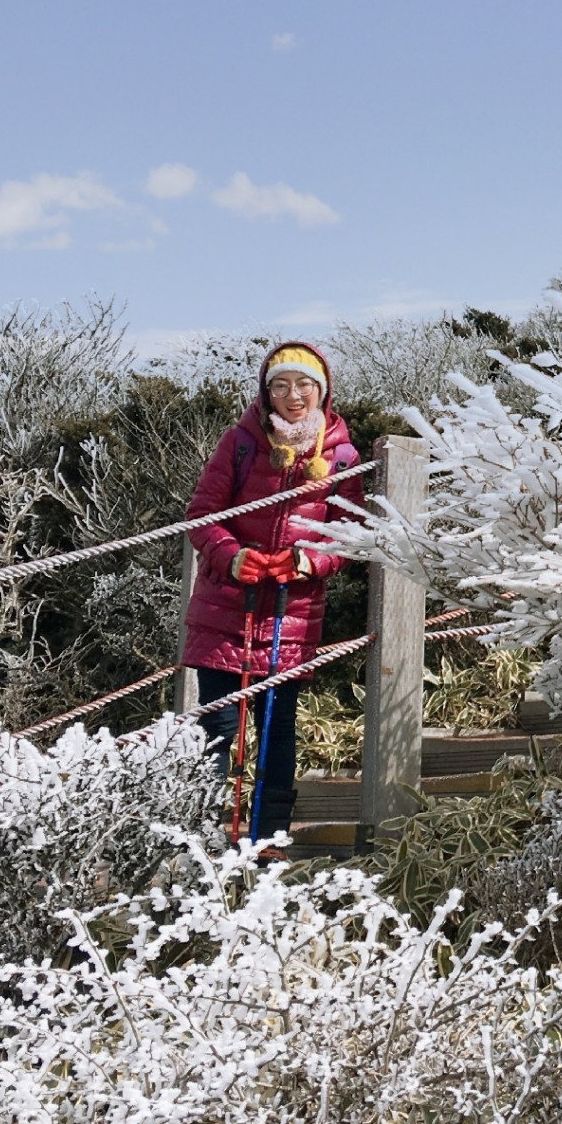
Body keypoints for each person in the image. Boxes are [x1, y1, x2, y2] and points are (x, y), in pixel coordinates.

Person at [181, 342, 363, 842]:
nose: (293, 394)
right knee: (217, 729)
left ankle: (269, 838)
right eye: (280, 385)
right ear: (266, 392)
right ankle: (200, 838)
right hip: (225, 608)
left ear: (322, 392)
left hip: (293, 609)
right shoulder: (238, 442)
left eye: (304, 385)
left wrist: (308, 560)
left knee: (278, 727)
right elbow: (203, 515)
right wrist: (232, 555)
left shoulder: (343, 455)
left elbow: (349, 533)